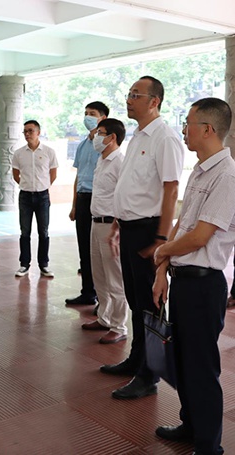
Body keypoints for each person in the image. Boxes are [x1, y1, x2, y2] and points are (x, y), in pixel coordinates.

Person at [152, 97, 235, 455]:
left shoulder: (227, 176)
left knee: (202, 367)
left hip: (204, 285)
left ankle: (208, 445)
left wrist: (161, 252)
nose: (183, 129)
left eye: (188, 123)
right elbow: (181, 226)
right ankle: (191, 424)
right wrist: (162, 270)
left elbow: (200, 237)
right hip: (183, 280)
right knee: (183, 360)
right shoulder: (200, 170)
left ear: (208, 129)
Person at [100, 76, 184, 399]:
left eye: (136, 95)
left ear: (154, 102)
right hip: (131, 228)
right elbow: (132, 186)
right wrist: (118, 224)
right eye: (129, 93)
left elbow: (170, 188)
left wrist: (162, 239)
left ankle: (148, 376)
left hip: (151, 230)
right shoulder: (137, 136)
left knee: (150, 305)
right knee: (136, 300)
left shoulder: (165, 137)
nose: (129, 99)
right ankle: (137, 360)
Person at [81, 118, 129, 344]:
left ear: (112, 137)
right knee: (98, 274)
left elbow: (125, 197)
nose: (96, 137)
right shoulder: (102, 160)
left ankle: (119, 326)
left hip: (112, 225)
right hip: (95, 221)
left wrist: (118, 228)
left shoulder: (121, 162)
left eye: (100, 133)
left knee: (114, 277)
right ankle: (104, 317)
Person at [66, 101, 109, 307]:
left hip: (99, 199)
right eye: (85, 113)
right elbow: (78, 176)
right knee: (84, 247)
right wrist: (74, 205)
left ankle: (103, 298)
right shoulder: (83, 144)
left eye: (92, 113)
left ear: (103, 118)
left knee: (99, 251)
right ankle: (87, 292)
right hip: (83, 199)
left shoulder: (106, 145)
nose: (87, 117)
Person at [12, 120, 58, 278]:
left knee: (43, 231)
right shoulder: (18, 153)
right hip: (25, 196)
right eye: (25, 131)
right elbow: (16, 175)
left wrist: (42, 186)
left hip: (43, 196)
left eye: (30, 131)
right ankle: (24, 264)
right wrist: (28, 185)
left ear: (38, 132)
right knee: (25, 231)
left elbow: (53, 173)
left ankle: (44, 264)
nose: (27, 134)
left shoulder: (48, 152)